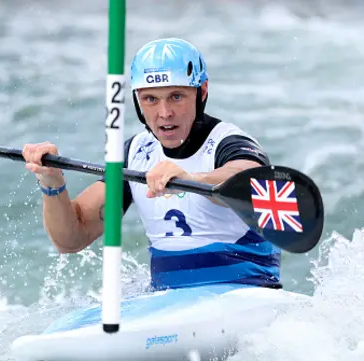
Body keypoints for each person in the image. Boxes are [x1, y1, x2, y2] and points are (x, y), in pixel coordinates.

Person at [22, 38, 281, 291]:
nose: (164, 113)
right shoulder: (135, 152)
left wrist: (191, 179)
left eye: (176, 96)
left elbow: (248, 179)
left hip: (244, 293)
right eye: (151, 99)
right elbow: (71, 239)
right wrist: (52, 184)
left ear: (201, 92)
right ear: (137, 101)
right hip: (167, 304)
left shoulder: (230, 142)